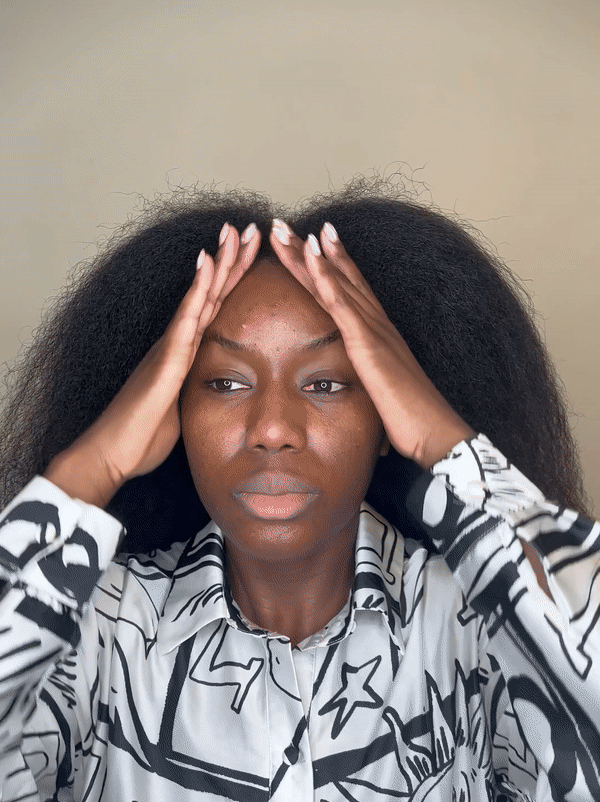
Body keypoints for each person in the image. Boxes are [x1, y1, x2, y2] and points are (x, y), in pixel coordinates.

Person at [0, 176, 598, 801]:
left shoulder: (476, 627)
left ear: (387, 410)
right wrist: (95, 461)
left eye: (326, 384)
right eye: (225, 383)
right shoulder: (96, 632)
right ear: (169, 407)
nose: (273, 429)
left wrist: (441, 439)